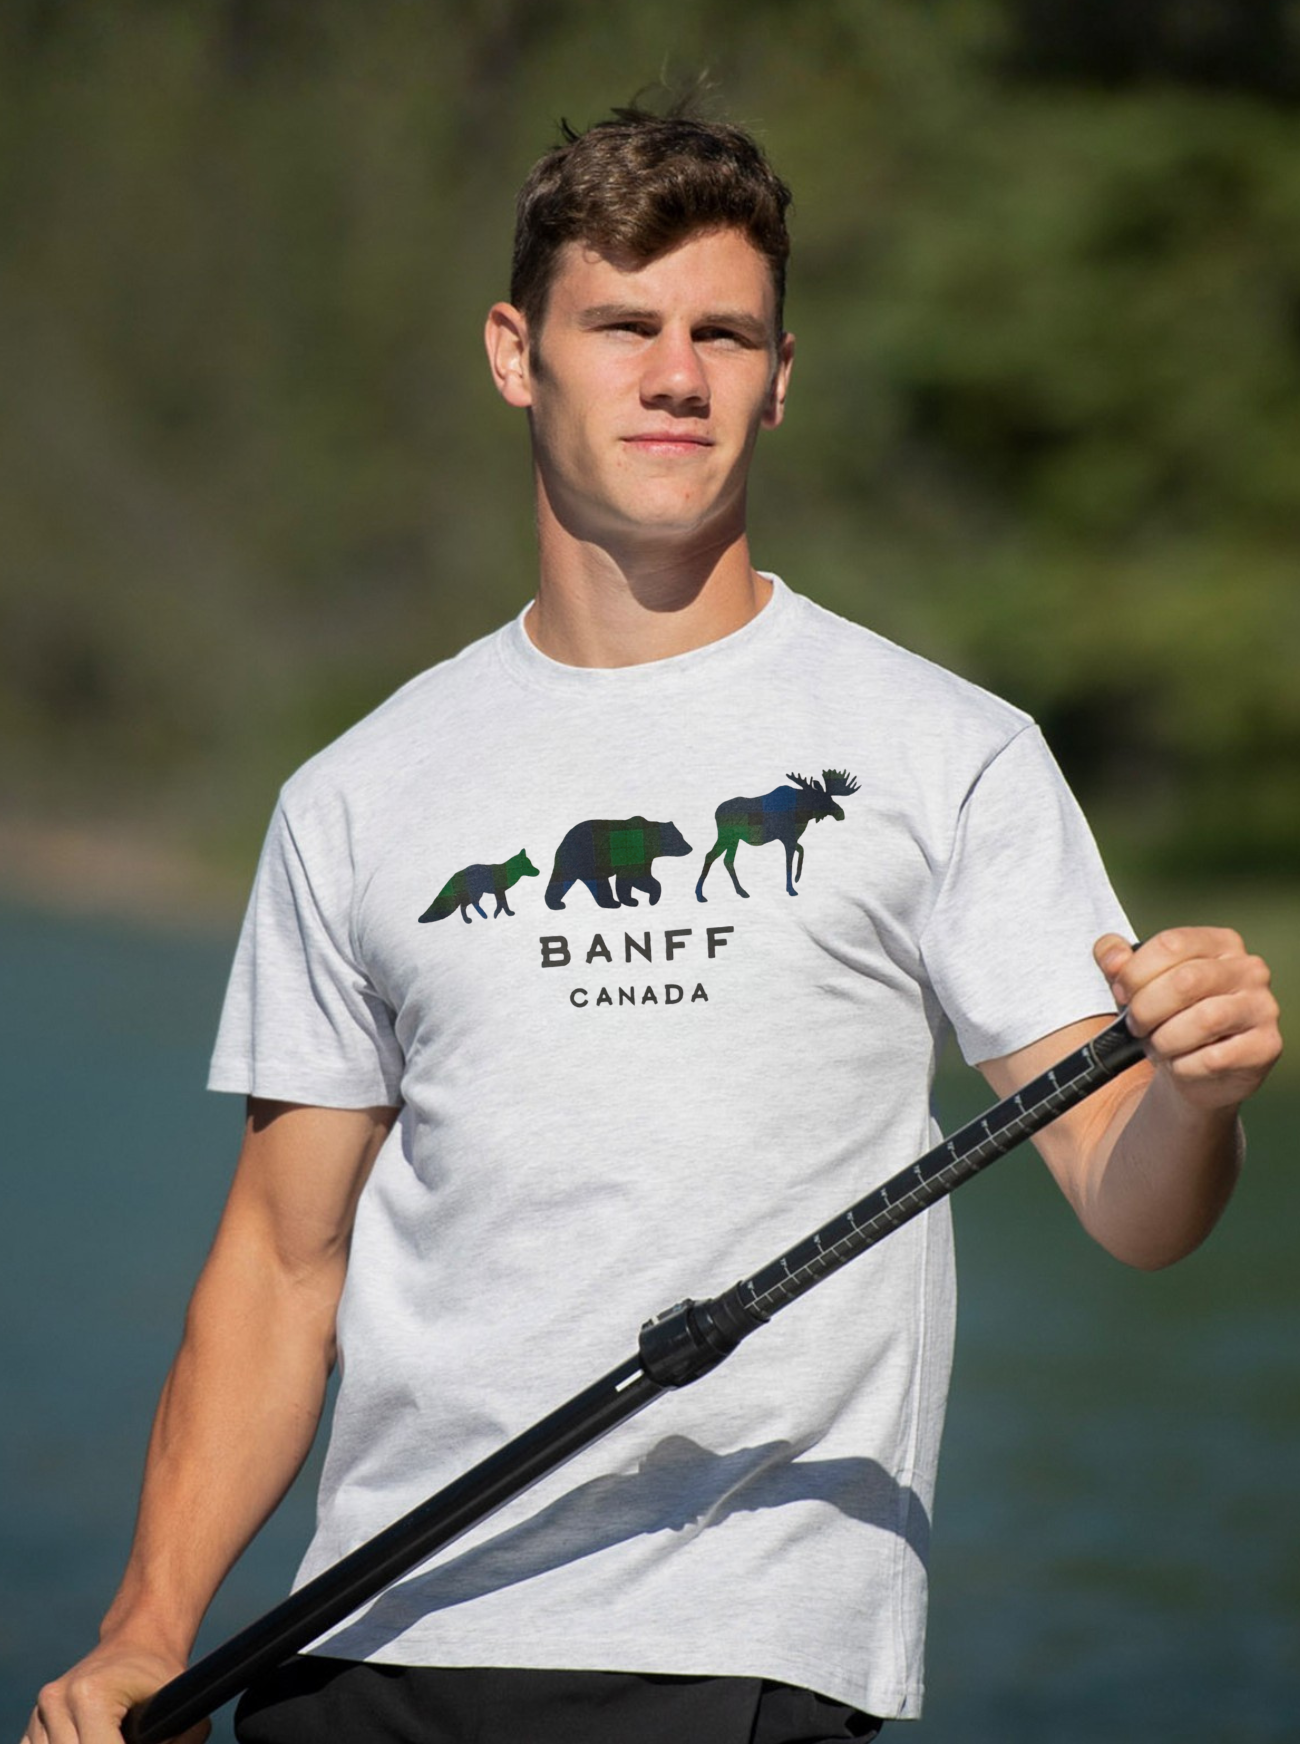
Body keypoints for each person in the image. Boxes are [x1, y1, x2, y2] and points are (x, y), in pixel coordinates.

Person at [25, 101, 1280, 1744]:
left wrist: (1192, 1092)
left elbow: (1134, 1203)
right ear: (515, 351)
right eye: (622, 324)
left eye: (723, 333)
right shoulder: (358, 789)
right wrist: (145, 1628)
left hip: (741, 1651)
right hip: (363, 1645)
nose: (675, 374)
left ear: (779, 374)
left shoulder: (947, 752)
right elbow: (279, 1257)